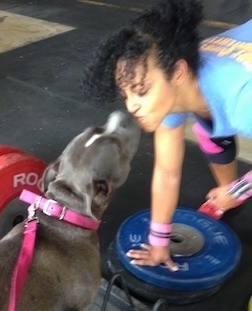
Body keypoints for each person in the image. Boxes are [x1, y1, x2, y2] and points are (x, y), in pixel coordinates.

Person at [82, 0, 252, 271]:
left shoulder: (243, 101)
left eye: (141, 90)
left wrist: (239, 190)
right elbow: (166, 172)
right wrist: (159, 242)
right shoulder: (172, 93)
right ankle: (227, 195)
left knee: (219, 122)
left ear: (178, 73)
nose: (131, 106)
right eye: (126, 94)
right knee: (209, 127)